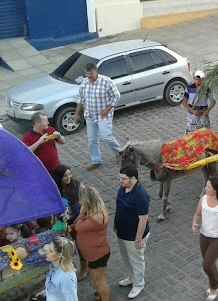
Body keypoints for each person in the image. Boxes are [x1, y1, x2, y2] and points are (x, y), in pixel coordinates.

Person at [74, 62, 122, 171]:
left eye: (91, 73)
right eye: (87, 74)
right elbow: (80, 99)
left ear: (96, 71)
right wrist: (77, 113)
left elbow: (116, 96)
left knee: (105, 136)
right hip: (90, 116)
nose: (89, 76)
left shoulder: (106, 81)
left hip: (103, 115)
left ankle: (119, 152)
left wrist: (108, 109)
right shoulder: (84, 84)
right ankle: (95, 160)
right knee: (92, 139)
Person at [114, 165, 150, 299]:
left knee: (136, 260)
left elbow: (143, 219)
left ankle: (139, 283)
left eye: (124, 178)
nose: (121, 181)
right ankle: (131, 277)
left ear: (133, 178)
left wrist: (138, 239)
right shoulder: (123, 188)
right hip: (122, 232)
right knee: (126, 258)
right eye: (120, 178)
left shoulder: (140, 195)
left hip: (133, 236)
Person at [72, 187, 110, 301]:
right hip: (93, 252)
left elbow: (78, 226)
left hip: (98, 254)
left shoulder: (97, 216)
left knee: (99, 281)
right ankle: (99, 294)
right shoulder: (93, 211)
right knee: (96, 278)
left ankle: (104, 297)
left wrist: (81, 212)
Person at [32, 237, 78, 301]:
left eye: (50, 251)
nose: (46, 253)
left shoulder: (66, 278)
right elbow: (56, 288)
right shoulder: (54, 268)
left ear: (59, 255)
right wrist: (44, 293)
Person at [183, 70, 215, 135]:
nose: (198, 82)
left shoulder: (206, 89)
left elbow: (213, 101)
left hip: (203, 115)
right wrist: (193, 111)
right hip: (192, 116)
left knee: (204, 135)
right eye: (196, 79)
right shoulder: (189, 88)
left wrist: (207, 110)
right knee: (191, 135)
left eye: (200, 80)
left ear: (203, 80)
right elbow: (184, 102)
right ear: (194, 79)